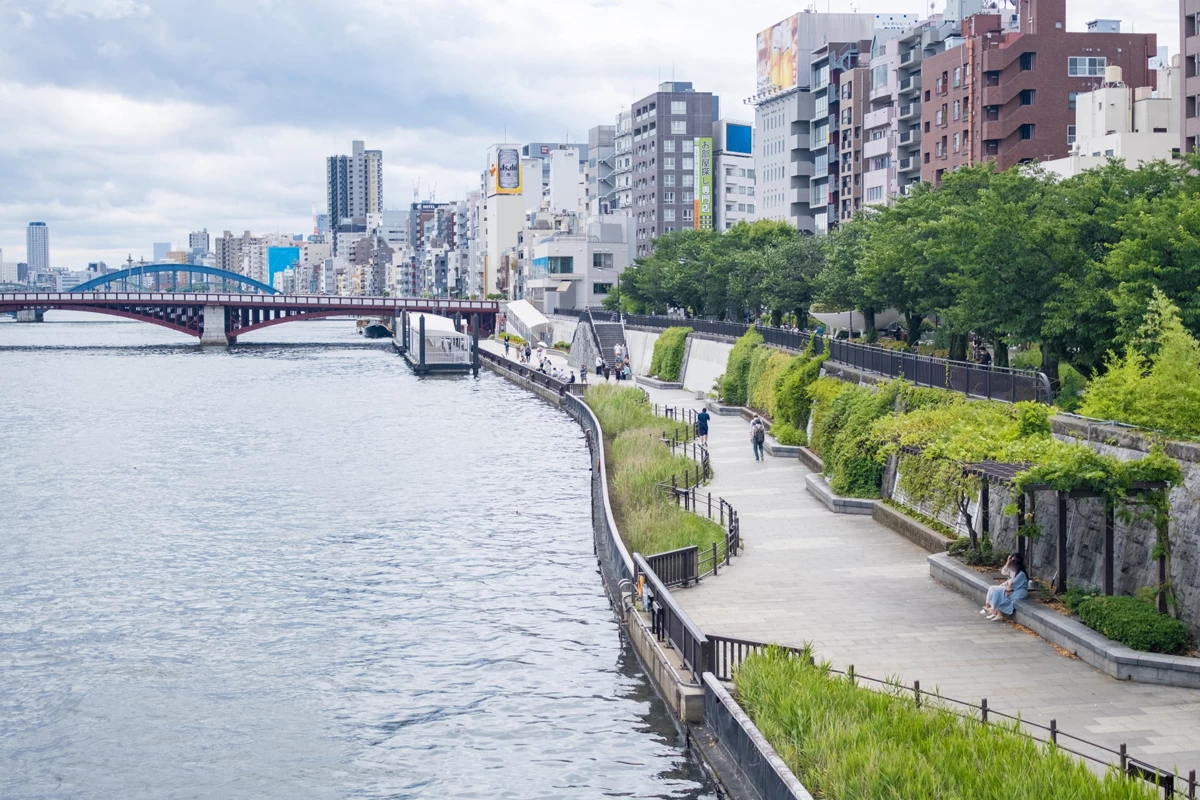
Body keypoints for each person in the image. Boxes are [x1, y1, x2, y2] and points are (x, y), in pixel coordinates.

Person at [982, 553, 1028, 621]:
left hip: (1019, 591)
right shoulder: (1013, 569)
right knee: (996, 591)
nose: (1011, 562)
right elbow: (1003, 572)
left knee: (998, 592)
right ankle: (995, 611)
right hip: (1012, 589)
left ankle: (993, 610)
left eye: (1013, 561)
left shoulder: (1021, 574)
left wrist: (1006, 586)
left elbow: (1012, 586)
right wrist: (1008, 562)